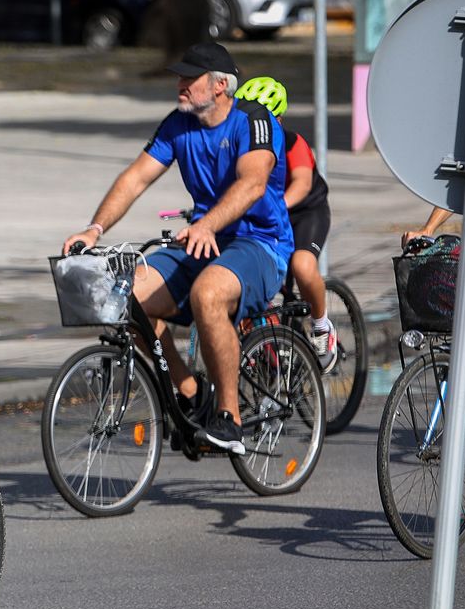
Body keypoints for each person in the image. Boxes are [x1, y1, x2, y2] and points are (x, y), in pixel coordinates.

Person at [62, 42, 291, 455]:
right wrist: (94, 229)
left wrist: (207, 223)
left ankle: (229, 417)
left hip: (260, 243)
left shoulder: (253, 121)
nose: (180, 85)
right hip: (204, 241)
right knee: (124, 296)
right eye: (180, 77)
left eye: (190, 78)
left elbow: (253, 183)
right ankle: (190, 391)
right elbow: (135, 178)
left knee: (208, 294)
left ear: (220, 85)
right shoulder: (177, 125)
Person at [235, 76, 338, 371]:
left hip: (304, 213)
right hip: (266, 218)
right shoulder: (243, 143)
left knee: (303, 266)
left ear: (278, 117)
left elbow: (302, 184)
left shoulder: (292, 142)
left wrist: (276, 206)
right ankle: (267, 346)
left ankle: (321, 327)